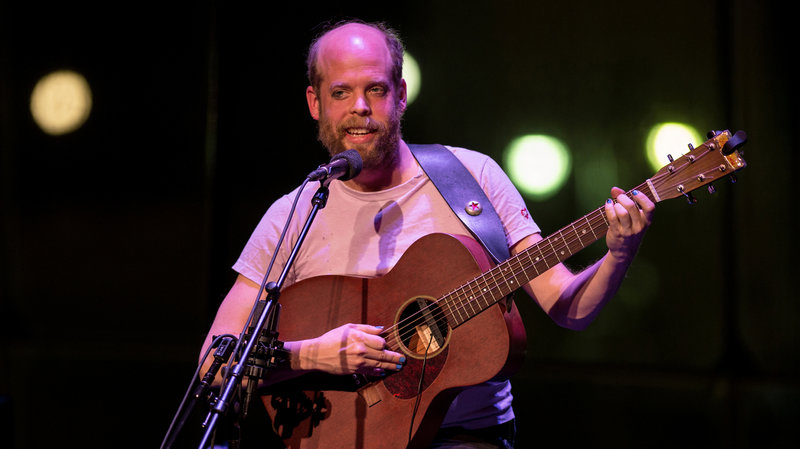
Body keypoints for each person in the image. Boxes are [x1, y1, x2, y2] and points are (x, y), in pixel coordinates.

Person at [199, 19, 655, 449]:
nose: (360, 106)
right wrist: (310, 355)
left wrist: (618, 252)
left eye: (375, 89)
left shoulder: (469, 177)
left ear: (399, 94)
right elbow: (212, 365)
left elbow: (567, 307)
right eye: (341, 92)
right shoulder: (293, 214)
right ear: (316, 102)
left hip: (465, 437)